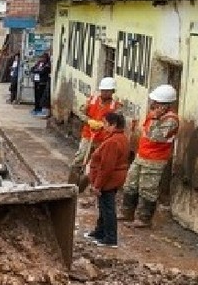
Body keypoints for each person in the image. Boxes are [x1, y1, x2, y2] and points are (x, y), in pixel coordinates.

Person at [120, 84, 179, 228]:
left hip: (155, 160)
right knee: (130, 184)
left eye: (156, 102)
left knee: (148, 189)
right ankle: (127, 212)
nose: (153, 104)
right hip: (142, 155)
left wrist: (156, 119)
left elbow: (155, 136)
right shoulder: (154, 115)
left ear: (165, 104)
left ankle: (144, 219)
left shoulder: (171, 120)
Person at [84, 112, 129, 248]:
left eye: (105, 123)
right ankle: (100, 232)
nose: (103, 126)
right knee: (104, 207)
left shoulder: (113, 142)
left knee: (108, 209)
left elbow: (106, 167)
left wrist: (97, 185)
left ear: (113, 124)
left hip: (109, 180)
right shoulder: (120, 138)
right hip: (112, 179)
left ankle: (110, 238)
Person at [71, 77, 122, 184]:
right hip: (88, 134)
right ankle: (71, 183)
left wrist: (103, 125)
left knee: (97, 162)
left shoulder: (116, 106)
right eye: (103, 90)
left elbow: (117, 122)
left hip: (103, 138)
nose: (105, 93)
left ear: (112, 91)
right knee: (80, 158)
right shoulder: (92, 100)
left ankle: (88, 184)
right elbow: (80, 112)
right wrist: (88, 120)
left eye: (107, 91)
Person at [30, 52, 52, 117]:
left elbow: (43, 72)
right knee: (36, 95)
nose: (42, 59)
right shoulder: (38, 64)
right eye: (41, 57)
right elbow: (32, 69)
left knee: (41, 96)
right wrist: (37, 70)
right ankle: (36, 108)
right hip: (36, 81)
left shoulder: (47, 65)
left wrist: (37, 71)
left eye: (43, 58)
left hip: (42, 82)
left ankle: (40, 109)